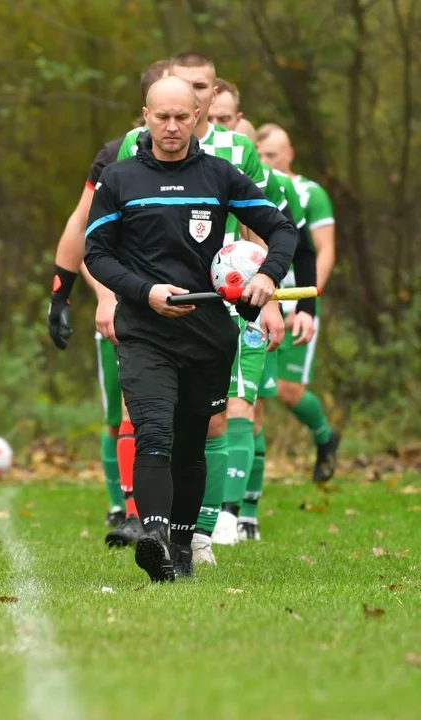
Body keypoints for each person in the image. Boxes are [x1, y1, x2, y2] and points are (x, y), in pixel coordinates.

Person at [83, 76, 297, 582]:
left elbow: (282, 230)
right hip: (144, 331)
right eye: (163, 117)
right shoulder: (119, 179)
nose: (173, 126)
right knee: (154, 432)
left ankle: (180, 548)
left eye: (183, 116)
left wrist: (267, 276)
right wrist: (144, 292)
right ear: (146, 116)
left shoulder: (221, 176)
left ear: (199, 116)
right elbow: (97, 254)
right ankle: (154, 537)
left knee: (190, 440)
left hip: (207, 335)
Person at [47, 59, 172, 535]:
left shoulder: (218, 159)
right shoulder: (114, 156)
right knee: (124, 408)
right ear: (147, 109)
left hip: (190, 301)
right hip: (123, 297)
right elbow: (82, 231)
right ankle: (129, 509)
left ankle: (191, 515)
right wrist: (65, 295)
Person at [204, 87, 317, 545]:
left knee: (246, 408)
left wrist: (299, 306)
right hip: (202, 304)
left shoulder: (267, 181)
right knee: (211, 411)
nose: (221, 127)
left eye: (227, 119)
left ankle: (237, 512)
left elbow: (299, 244)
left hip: (255, 305)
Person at [256, 123, 340, 483]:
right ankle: (240, 499)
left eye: (272, 155)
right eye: (259, 156)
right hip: (260, 299)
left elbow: (323, 250)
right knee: (252, 396)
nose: (265, 162)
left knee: (289, 392)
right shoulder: (253, 186)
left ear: (289, 153)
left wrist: (307, 301)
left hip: (295, 299)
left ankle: (325, 438)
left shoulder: (310, 193)